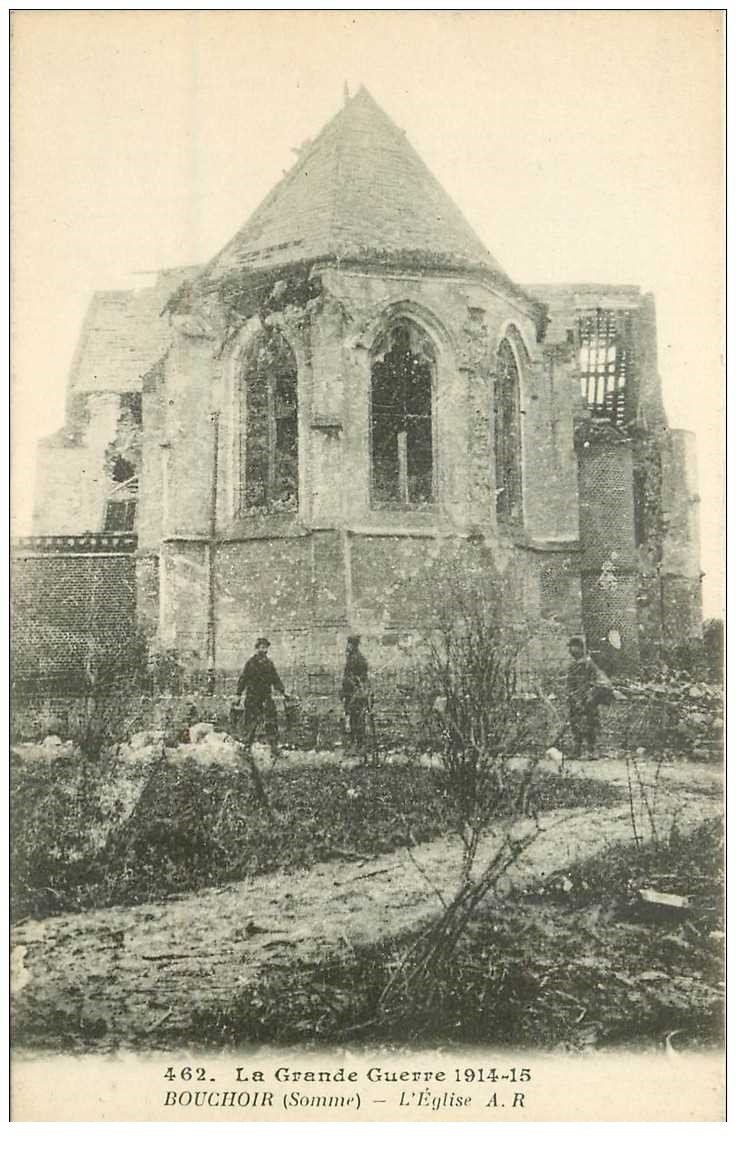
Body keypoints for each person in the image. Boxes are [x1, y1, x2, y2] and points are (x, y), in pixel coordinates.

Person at [234, 637, 287, 757]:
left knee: (271, 722)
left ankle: (274, 748)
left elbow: (275, 678)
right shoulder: (251, 663)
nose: (263, 649)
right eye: (261, 647)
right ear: (257, 648)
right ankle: (246, 747)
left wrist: (283, 692)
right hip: (252, 697)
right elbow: (243, 679)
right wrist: (238, 694)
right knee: (251, 723)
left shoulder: (269, 663)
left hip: (266, 697)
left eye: (265, 647)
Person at [566, 635, 611, 760]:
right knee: (575, 725)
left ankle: (592, 750)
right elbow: (571, 684)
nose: (571, 650)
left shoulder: (588, 664)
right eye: (570, 647)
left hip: (587, 700)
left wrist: (589, 696)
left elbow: (598, 681)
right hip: (575, 699)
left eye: (574, 647)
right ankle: (577, 750)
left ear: (581, 648)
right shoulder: (573, 666)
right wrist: (573, 697)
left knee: (590, 724)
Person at [341, 635, 370, 757]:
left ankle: (359, 746)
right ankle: (354, 745)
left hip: (356, 694)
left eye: (349, 644)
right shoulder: (351, 657)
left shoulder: (359, 659)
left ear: (354, 645)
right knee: (353, 719)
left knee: (358, 720)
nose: (347, 646)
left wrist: (355, 687)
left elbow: (361, 678)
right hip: (350, 693)